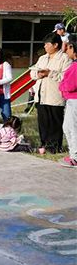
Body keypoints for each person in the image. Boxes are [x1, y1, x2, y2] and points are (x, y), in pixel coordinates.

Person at [29, 33, 71, 154]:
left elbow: (66, 77)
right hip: (41, 95)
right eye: (45, 44)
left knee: (55, 122)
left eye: (47, 44)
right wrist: (39, 74)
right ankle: (44, 144)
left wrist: (50, 73)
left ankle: (55, 146)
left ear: (56, 45)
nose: (45, 47)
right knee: (43, 122)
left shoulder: (64, 58)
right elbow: (32, 73)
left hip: (55, 96)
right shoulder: (42, 58)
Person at [59, 39, 77, 167]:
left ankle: (75, 157)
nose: (66, 50)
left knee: (72, 128)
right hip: (72, 100)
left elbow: (70, 86)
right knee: (68, 127)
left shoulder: (75, 67)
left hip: (74, 100)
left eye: (68, 47)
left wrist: (61, 85)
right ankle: (73, 154)